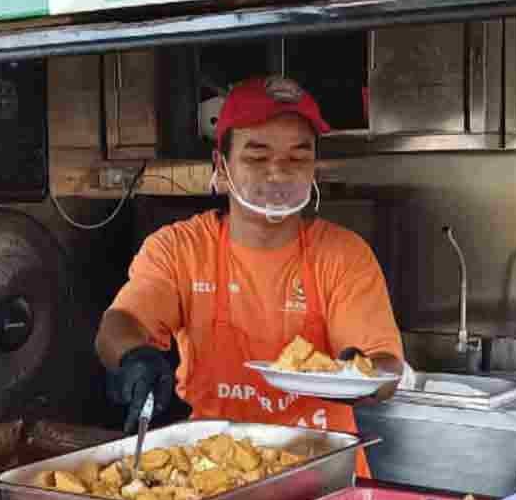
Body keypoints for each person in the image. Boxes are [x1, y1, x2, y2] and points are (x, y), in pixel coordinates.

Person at [94, 76, 405, 467]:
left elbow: (388, 366)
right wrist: (134, 356)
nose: (278, 172)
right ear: (220, 167)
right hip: (214, 470)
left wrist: (359, 377)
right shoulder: (179, 249)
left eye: (297, 157)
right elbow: (120, 323)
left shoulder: (344, 255)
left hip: (324, 472)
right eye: (257, 157)